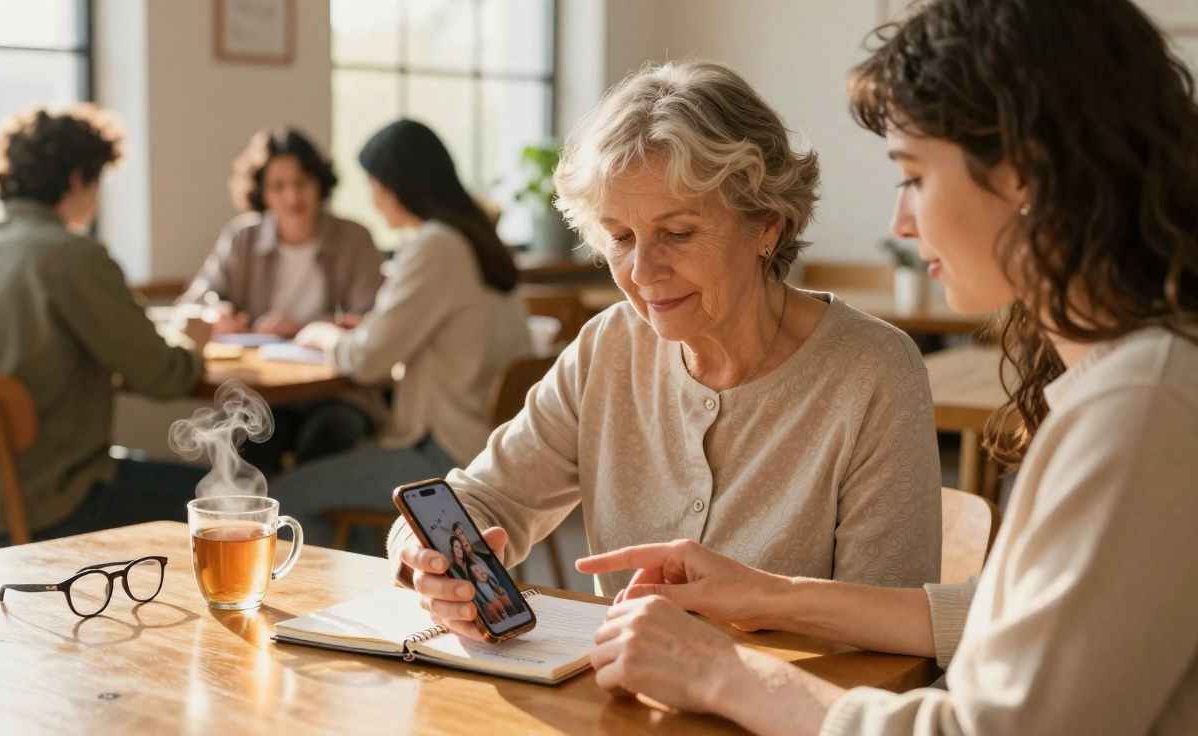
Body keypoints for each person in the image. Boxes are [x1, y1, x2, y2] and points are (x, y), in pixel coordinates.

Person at [574, 1, 1198, 733]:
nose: (901, 222)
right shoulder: (1138, 383)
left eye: (914, 177)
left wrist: (719, 670)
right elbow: (1007, 616)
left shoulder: (1145, 407)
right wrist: (770, 596)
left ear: (1026, 171)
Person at [393, 61, 943, 640]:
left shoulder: (874, 372)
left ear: (767, 226)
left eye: (678, 233)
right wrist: (424, 560)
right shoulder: (608, 346)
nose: (642, 271)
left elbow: (891, 629)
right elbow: (484, 498)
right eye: (620, 237)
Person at [0, 104, 206, 543]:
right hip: (48, 503)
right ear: (78, 178)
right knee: (221, 495)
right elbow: (164, 376)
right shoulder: (72, 256)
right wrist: (192, 340)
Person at [269, 119, 532, 549]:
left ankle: (342, 589)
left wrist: (324, 336)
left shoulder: (436, 246)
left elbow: (367, 361)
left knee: (283, 498)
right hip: (488, 446)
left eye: (373, 184)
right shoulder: (481, 241)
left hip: (442, 458)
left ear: (398, 184)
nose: (372, 198)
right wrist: (370, 332)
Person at [180, 127, 386, 471]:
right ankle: (256, 509)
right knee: (244, 433)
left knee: (330, 432)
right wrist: (217, 313)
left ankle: (305, 506)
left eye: (302, 182)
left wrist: (303, 327)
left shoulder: (354, 238)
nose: (292, 196)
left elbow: (374, 320)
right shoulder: (242, 238)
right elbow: (195, 301)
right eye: (278, 186)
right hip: (263, 390)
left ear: (319, 183)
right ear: (262, 193)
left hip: (338, 391)